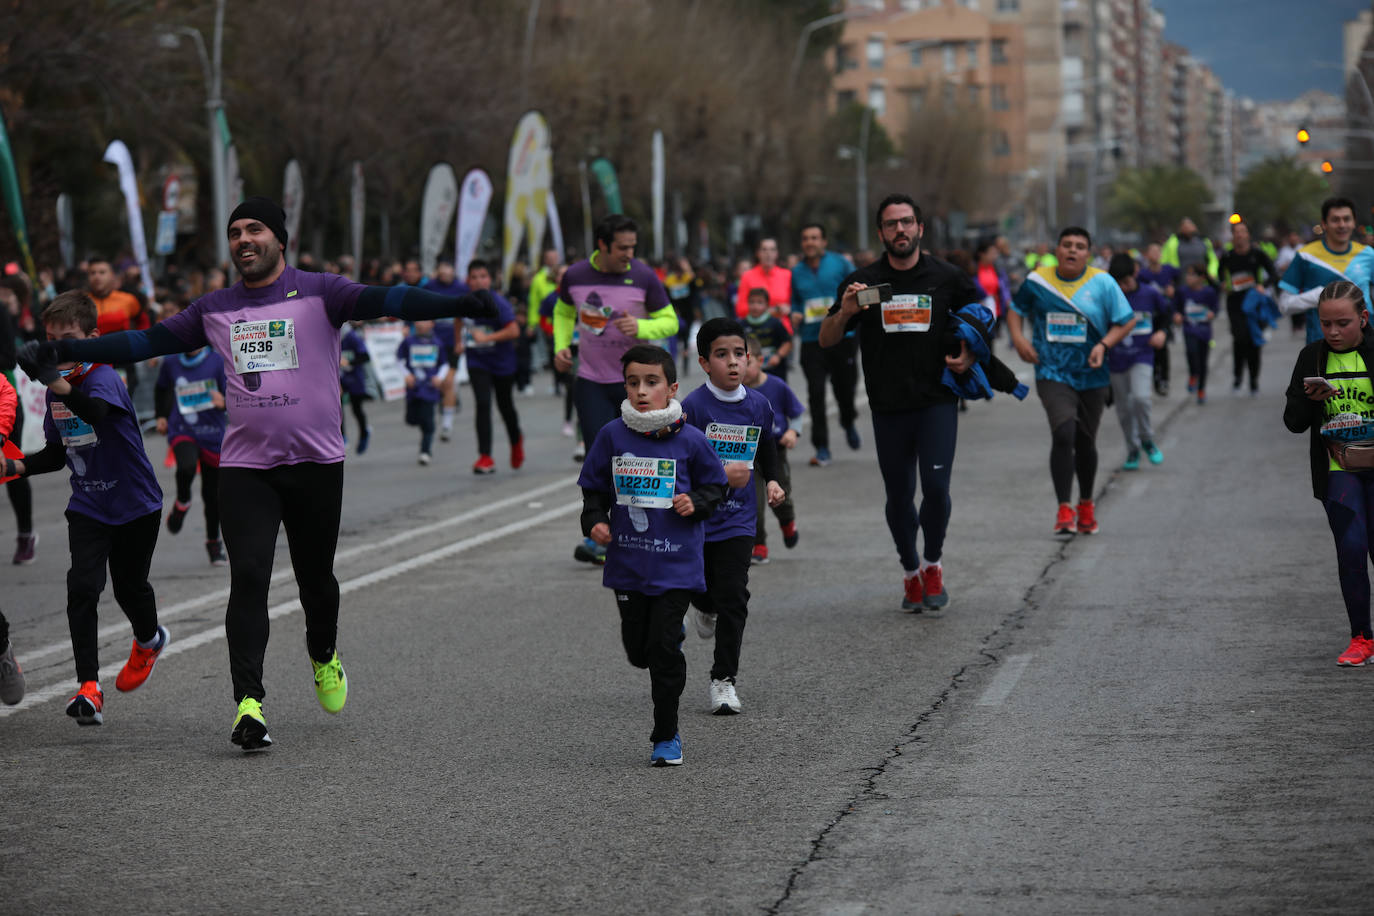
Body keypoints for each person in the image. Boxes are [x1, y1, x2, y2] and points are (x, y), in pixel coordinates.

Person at [19, 196, 499, 750]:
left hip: (317, 463)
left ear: (279, 239)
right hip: (247, 467)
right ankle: (249, 704)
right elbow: (142, 342)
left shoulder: (323, 290)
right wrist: (62, 349)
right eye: (235, 232)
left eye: (255, 229)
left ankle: (323, 653)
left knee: (316, 582)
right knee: (248, 578)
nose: (243, 239)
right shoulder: (215, 308)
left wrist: (460, 303)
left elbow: (390, 299)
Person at [10, 291, 170, 726]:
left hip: (136, 504)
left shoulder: (101, 377)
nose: (56, 350)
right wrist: (15, 465)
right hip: (89, 506)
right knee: (82, 588)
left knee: (129, 588)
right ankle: (88, 688)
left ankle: (149, 639)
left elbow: (96, 412)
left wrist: (55, 382)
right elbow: (56, 453)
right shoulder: (54, 390)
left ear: (93, 339)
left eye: (68, 341)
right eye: (49, 340)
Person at [818, 194, 981, 612]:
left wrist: (970, 354)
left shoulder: (948, 277)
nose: (900, 231)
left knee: (937, 488)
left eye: (907, 222)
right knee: (899, 494)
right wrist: (845, 312)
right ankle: (910, 572)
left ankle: (933, 564)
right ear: (881, 233)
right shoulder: (863, 281)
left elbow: (982, 320)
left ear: (920, 228)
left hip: (937, 400)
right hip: (888, 405)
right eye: (891, 225)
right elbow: (827, 339)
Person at [577, 345, 728, 766]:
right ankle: (665, 637)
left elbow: (717, 489)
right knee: (638, 652)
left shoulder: (692, 440)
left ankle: (666, 735)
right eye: (633, 382)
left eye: (652, 382)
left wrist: (695, 501)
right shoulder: (612, 435)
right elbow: (593, 491)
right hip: (628, 565)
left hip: (676, 564)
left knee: (662, 652)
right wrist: (595, 522)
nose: (642, 391)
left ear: (671, 388)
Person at [554, 214, 678, 565]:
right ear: (603, 245)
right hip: (592, 380)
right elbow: (564, 313)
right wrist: (561, 346)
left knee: (639, 459)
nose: (630, 253)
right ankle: (597, 534)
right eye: (622, 247)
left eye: (633, 247)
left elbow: (671, 320)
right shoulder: (575, 276)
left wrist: (640, 325)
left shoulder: (642, 276)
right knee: (599, 459)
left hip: (636, 385)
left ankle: (643, 531)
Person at [682, 318, 784, 715]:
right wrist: (717, 477)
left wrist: (772, 480)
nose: (732, 362)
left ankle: (723, 680)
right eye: (721, 355)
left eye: (738, 354)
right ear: (705, 362)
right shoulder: (691, 407)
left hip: (739, 518)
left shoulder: (758, 404)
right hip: (699, 518)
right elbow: (682, 459)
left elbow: (767, 447)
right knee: (701, 589)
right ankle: (703, 606)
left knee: (735, 596)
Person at [1008, 226, 1135, 537]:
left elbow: (1127, 320)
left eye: (1080, 246)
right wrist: (1019, 339)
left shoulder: (1102, 282)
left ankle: (1086, 505)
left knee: (1085, 440)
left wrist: (1103, 345)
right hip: (1051, 371)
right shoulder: (1038, 280)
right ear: (1057, 250)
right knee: (1064, 432)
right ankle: (1064, 507)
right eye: (1067, 245)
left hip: (1092, 372)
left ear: (1088, 254)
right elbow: (1015, 310)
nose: (1072, 251)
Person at [1283, 280, 1374, 666]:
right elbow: (1293, 422)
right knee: (1351, 548)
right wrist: (1309, 400)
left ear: (1364, 319)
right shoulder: (1312, 358)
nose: (1334, 332)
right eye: (1326, 324)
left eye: (1343, 323)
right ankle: (1361, 638)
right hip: (1339, 468)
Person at [153, 299, 229, 565]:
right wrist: (162, 415)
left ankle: (213, 544)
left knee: (213, 496)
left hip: (213, 432)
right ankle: (183, 501)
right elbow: (162, 388)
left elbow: (236, 392)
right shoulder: (171, 362)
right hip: (182, 428)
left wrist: (225, 401)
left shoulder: (218, 360)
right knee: (185, 467)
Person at [790, 223, 860, 466]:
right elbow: (796, 303)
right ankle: (821, 447)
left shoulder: (840, 264)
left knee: (845, 389)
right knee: (816, 393)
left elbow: (859, 287)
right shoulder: (797, 271)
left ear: (824, 242)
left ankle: (848, 420)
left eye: (814, 238)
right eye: (806, 238)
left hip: (842, 337)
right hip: (811, 340)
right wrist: (796, 314)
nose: (810, 242)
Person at [459, 259, 523, 474]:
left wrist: (488, 337)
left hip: (502, 363)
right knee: (483, 403)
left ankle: (516, 440)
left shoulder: (499, 303)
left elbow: (514, 331)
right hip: (477, 361)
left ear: (491, 279)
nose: (478, 281)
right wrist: (458, 342)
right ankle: (485, 456)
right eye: (474, 277)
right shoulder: (465, 302)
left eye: (483, 276)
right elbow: (459, 320)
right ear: (468, 280)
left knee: (505, 407)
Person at [1106, 254, 1169, 470]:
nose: (1123, 287)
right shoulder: (1108, 299)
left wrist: (1162, 331)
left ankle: (1147, 439)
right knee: (1124, 408)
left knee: (1142, 398)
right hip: (1116, 359)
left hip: (1143, 355)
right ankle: (1132, 448)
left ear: (1134, 274)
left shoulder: (1150, 294)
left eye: (1126, 282)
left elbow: (1166, 314)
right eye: (1118, 284)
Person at [744, 334, 803, 562]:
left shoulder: (776, 386)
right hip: (748, 457)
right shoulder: (735, 392)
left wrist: (792, 431)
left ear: (760, 360)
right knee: (753, 504)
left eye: (747, 362)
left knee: (781, 498)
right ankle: (759, 545)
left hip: (775, 453)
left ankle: (787, 522)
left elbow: (796, 412)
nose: (741, 368)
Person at [1279, 198, 1367, 345]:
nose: (1342, 225)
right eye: (1335, 220)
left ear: (1354, 222)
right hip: (1321, 346)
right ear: (1324, 224)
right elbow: (1284, 304)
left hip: (1364, 345)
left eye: (1346, 219)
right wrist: (1319, 296)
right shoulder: (1305, 256)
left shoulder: (1368, 254)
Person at [1218, 222, 1279, 396]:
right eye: (1236, 232)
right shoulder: (1228, 255)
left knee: (1254, 341)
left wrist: (1263, 285)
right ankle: (1237, 378)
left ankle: (1253, 381)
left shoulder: (1257, 253)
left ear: (1248, 235)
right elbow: (1219, 274)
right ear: (1232, 236)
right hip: (1235, 303)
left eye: (1243, 232)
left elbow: (1274, 273)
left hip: (1254, 303)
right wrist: (1223, 284)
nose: (1239, 235)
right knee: (1240, 339)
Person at [0, 293, 36, 564]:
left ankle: (26, 535)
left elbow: (9, 359)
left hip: (5, 401)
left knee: (11, 470)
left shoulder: (0, 310)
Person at [398, 319, 448, 465]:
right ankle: (424, 424)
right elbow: (399, 359)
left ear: (432, 324)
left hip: (429, 388)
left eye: (425, 321)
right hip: (414, 388)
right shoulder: (408, 341)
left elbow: (444, 363)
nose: (421, 324)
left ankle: (425, 451)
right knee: (411, 419)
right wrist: (406, 374)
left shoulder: (437, 343)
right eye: (418, 321)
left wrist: (439, 378)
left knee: (428, 422)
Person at [1138, 242, 1180, 397]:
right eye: (1152, 251)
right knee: (1151, 348)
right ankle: (1155, 378)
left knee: (1163, 348)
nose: (1155, 254)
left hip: (1165, 314)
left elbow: (1183, 279)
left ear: (1161, 254)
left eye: (1158, 251)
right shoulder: (1143, 275)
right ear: (1147, 255)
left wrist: (1173, 290)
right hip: (1149, 316)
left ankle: (1164, 380)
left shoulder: (1168, 271)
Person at [1175, 263, 1220, 404]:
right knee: (1191, 352)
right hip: (1189, 329)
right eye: (1187, 275)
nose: (1188, 278)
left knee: (1203, 362)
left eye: (1192, 275)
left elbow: (1216, 307)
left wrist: (1213, 313)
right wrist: (1176, 315)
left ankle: (1201, 390)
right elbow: (1175, 307)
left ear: (1201, 277)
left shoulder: (1209, 292)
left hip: (1204, 331)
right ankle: (1193, 375)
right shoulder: (1182, 291)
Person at [734, 238, 792, 325]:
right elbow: (740, 310)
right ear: (758, 253)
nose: (768, 253)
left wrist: (789, 308)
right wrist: (770, 311)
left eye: (772, 249)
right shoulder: (747, 276)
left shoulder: (787, 275)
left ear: (777, 253)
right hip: (756, 331)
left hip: (783, 329)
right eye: (764, 249)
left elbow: (795, 304)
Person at [741, 287, 792, 385]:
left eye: (760, 302)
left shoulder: (775, 323)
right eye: (752, 302)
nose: (755, 306)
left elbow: (787, 343)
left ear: (767, 305)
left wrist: (778, 356)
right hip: (750, 375)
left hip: (775, 371)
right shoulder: (741, 325)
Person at [339, 321, 373, 453]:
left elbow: (365, 356)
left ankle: (364, 433)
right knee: (338, 409)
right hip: (339, 377)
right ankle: (342, 438)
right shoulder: (328, 334)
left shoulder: (351, 336)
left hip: (354, 378)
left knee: (356, 409)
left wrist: (349, 361)